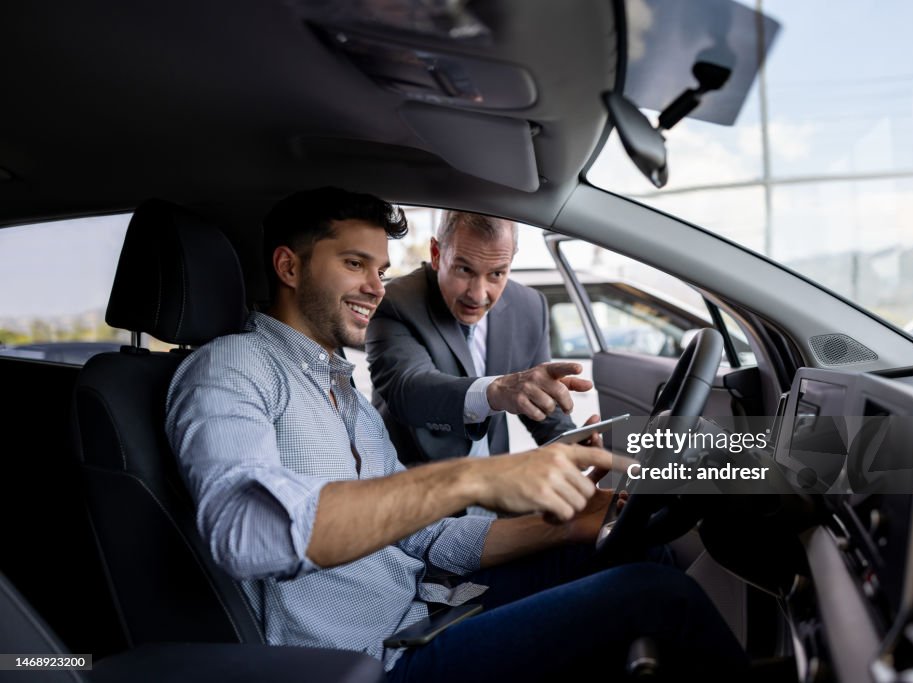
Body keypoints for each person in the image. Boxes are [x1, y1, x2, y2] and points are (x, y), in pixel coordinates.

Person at [165, 187, 746, 681]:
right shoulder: (232, 368)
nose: (376, 286)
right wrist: (475, 477)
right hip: (371, 661)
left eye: (381, 270)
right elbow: (246, 533)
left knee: (644, 550)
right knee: (658, 600)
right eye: (354, 264)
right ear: (289, 267)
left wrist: (571, 522)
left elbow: (424, 540)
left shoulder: (341, 389)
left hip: (428, 605)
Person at [365, 211, 589, 466]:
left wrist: (572, 444)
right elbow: (409, 390)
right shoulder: (395, 302)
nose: (478, 294)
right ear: (437, 254)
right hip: (412, 484)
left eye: (497, 274)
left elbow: (538, 399)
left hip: (494, 482)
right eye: (464, 269)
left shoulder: (529, 306)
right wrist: (496, 392)